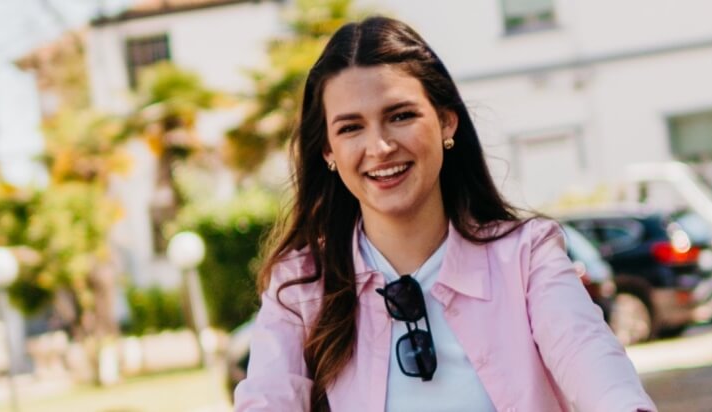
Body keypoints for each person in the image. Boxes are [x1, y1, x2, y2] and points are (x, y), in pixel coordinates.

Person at [233, 17, 655, 412]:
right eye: (350, 128)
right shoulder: (301, 285)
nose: (379, 147)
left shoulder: (527, 259)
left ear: (446, 122)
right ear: (328, 151)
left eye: (400, 116)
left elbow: (596, 365)